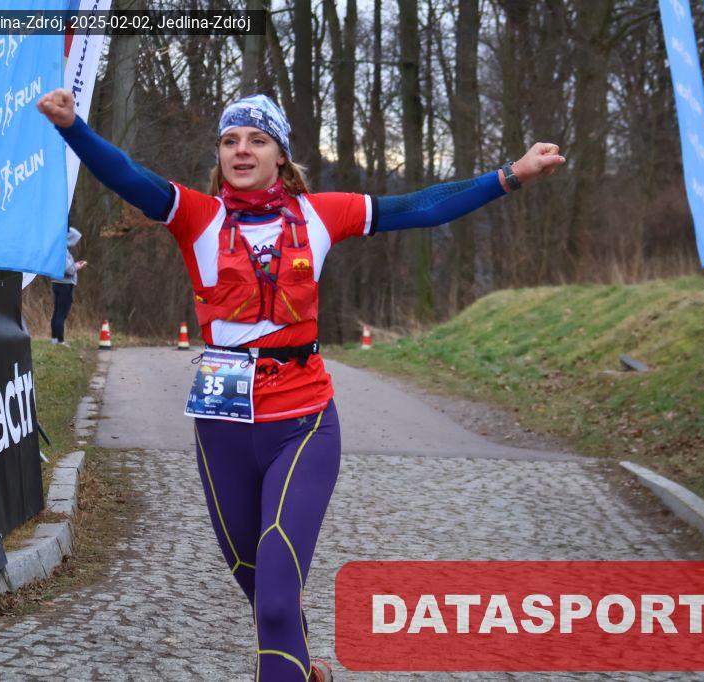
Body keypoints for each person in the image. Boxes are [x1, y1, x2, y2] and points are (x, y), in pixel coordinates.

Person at [37, 90, 564, 681]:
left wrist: (511, 175)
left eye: (257, 140)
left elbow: (420, 207)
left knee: (277, 600)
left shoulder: (321, 214)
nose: (242, 150)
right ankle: (304, 668)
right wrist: (73, 128)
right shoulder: (196, 216)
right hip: (223, 425)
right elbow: (129, 176)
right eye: (230, 140)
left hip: (303, 424)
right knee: (254, 580)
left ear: (281, 156)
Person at [50, 226, 87, 346]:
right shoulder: (62, 250)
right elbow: (69, 270)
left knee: (57, 312)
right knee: (61, 314)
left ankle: (54, 340)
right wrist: (78, 266)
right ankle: (60, 341)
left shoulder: (55, 248)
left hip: (57, 283)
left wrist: (75, 264)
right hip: (64, 284)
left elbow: (66, 266)